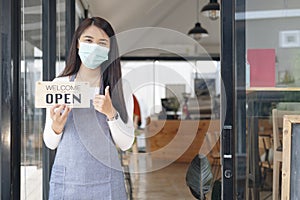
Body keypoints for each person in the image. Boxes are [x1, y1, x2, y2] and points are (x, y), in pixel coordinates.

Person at [43, 17, 134, 199]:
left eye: (102, 43)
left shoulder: (120, 87)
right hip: (67, 182)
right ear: (77, 44)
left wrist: (111, 114)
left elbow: (126, 143)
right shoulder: (59, 84)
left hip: (106, 182)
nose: (94, 47)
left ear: (110, 49)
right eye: (88, 40)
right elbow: (50, 143)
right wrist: (56, 126)